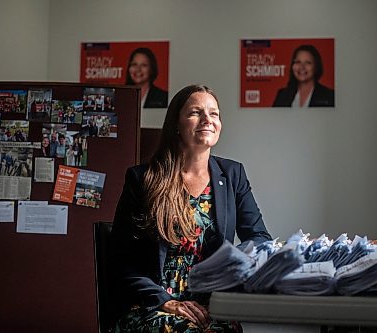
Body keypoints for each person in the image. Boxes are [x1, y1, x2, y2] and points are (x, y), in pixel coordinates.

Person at [110, 84, 272, 332]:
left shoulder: (232, 174)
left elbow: (260, 239)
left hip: (212, 303)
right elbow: (121, 259)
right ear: (176, 124)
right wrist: (167, 302)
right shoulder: (142, 179)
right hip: (155, 305)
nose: (207, 119)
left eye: (214, 113)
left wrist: (228, 264)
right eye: (196, 112)